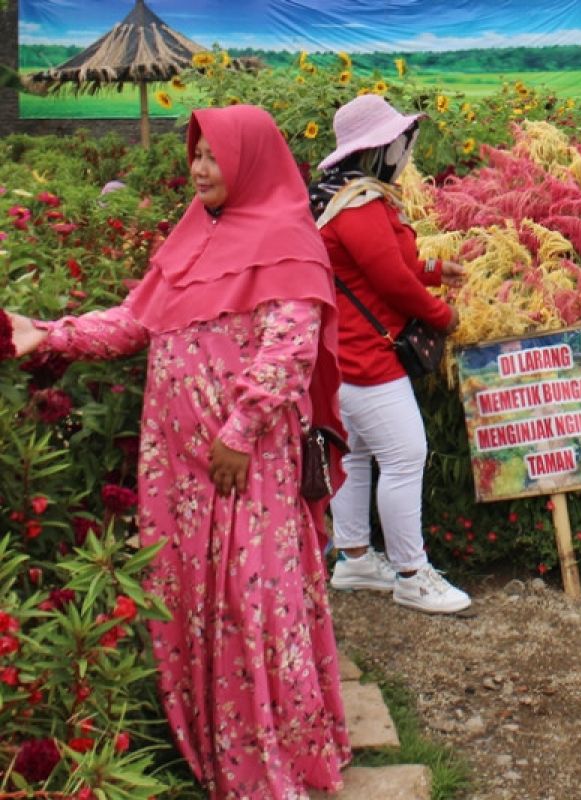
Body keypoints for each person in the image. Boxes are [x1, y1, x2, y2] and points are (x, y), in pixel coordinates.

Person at [5, 105, 351, 798]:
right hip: (177, 470)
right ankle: (212, 747)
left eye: (213, 155)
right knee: (195, 604)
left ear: (248, 158)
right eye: (194, 154)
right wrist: (51, 334)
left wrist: (237, 434)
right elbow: (138, 318)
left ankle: (265, 761)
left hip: (241, 468)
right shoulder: (196, 234)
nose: (199, 168)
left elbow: (289, 352)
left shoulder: (289, 238)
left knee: (252, 601)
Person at [309, 94, 471, 614]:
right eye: (401, 142)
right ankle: (411, 572)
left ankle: (354, 558)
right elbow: (390, 283)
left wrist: (432, 271)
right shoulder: (360, 206)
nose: (406, 150)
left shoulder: (341, 197)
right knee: (404, 457)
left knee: (355, 453)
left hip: (343, 354)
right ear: (378, 149)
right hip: (368, 358)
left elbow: (371, 270)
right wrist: (444, 316)